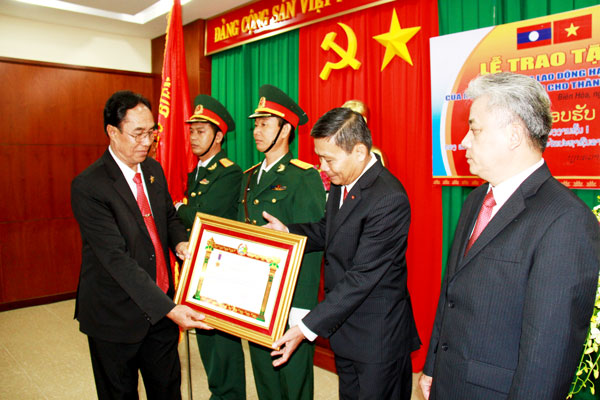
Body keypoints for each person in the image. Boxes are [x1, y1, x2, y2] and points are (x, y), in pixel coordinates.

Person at [419, 72, 600, 400]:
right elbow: (453, 293)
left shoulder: (567, 221)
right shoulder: (477, 199)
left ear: (514, 134)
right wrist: (433, 365)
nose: (464, 142)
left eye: (475, 129)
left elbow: (549, 357)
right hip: (450, 380)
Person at [266, 107, 420, 400]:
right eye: (320, 157)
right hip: (346, 330)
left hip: (378, 338)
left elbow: (362, 276)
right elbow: (329, 230)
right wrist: (288, 231)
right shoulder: (343, 181)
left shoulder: (389, 199)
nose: (323, 167)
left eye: (329, 159)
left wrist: (306, 327)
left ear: (359, 152)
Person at [71, 90, 212, 400]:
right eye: (138, 134)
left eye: (151, 132)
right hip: (114, 316)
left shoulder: (152, 170)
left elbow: (169, 218)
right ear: (112, 131)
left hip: (160, 308)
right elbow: (116, 260)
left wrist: (181, 243)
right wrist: (173, 310)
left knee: (167, 390)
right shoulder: (90, 186)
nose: (147, 141)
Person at [240, 84, 326, 400]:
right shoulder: (248, 178)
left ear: (286, 129)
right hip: (253, 295)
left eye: (264, 124)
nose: (256, 131)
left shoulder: (303, 177)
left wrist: (302, 309)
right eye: (255, 124)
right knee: (264, 375)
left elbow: (315, 239)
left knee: (294, 380)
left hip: (289, 299)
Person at [175, 94, 245, 399]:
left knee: (222, 345)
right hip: (198, 266)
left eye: (200, 131)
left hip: (220, 269)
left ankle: (228, 395)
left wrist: (177, 206)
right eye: (191, 130)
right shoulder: (198, 172)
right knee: (205, 338)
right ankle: (220, 392)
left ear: (218, 136)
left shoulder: (228, 172)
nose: (193, 136)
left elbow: (203, 216)